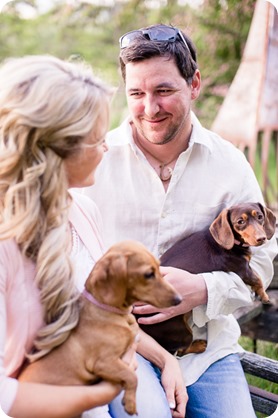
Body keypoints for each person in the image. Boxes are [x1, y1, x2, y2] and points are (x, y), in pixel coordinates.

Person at [84, 24, 278, 418]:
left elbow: (260, 265)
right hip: (124, 340)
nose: (149, 108)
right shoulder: (95, 161)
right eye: (137, 93)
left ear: (194, 84)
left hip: (207, 350)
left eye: (164, 91)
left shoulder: (229, 165)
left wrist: (203, 289)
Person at [0, 54, 186, 418]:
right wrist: (96, 394)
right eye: (97, 139)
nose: (107, 148)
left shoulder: (83, 212)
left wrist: (164, 360)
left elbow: (102, 312)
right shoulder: (6, 246)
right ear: (54, 149)